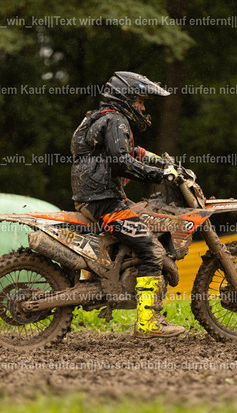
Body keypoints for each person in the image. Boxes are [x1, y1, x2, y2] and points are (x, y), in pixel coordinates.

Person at [70, 71, 185, 339]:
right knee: (151, 250)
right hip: (103, 203)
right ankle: (148, 322)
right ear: (126, 99)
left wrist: (162, 163)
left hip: (95, 199)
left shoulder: (100, 118)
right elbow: (122, 162)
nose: (143, 108)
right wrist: (162, 175)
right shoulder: (115, 121)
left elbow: (130, 153)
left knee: (149, 221)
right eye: (140, 102)